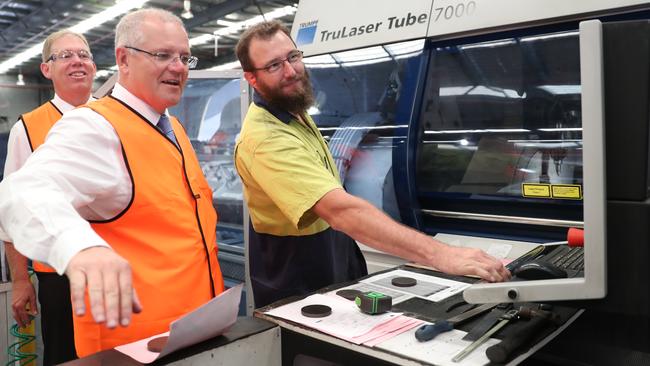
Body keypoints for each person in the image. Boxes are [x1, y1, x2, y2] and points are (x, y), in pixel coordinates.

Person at [234, 21, 510, 307]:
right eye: (274, 66)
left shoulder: (293, 112)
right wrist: (441, 254)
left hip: (333, 260)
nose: (291, 71)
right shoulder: (264, 138)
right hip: (297, 282)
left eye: (293, 57)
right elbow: (340, 210)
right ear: (252, 79)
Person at [0, 8, 224, 356]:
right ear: (124, 59)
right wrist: (78, 247)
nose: (178, 67)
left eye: (184, 56)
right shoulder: (95, 127)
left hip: (193, 332)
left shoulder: (172, 127)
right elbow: (22, 193)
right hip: (133, 348)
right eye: (162, 55)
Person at [2, 29, 96, 365]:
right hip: (58, 273)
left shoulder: (117, 118)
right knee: (66, 355)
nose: (77, 62)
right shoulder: (27, 129)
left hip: (120, 262)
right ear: (46, 70)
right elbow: (12, 213)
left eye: (84, 55)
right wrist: (20, 279)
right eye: (65, 55)